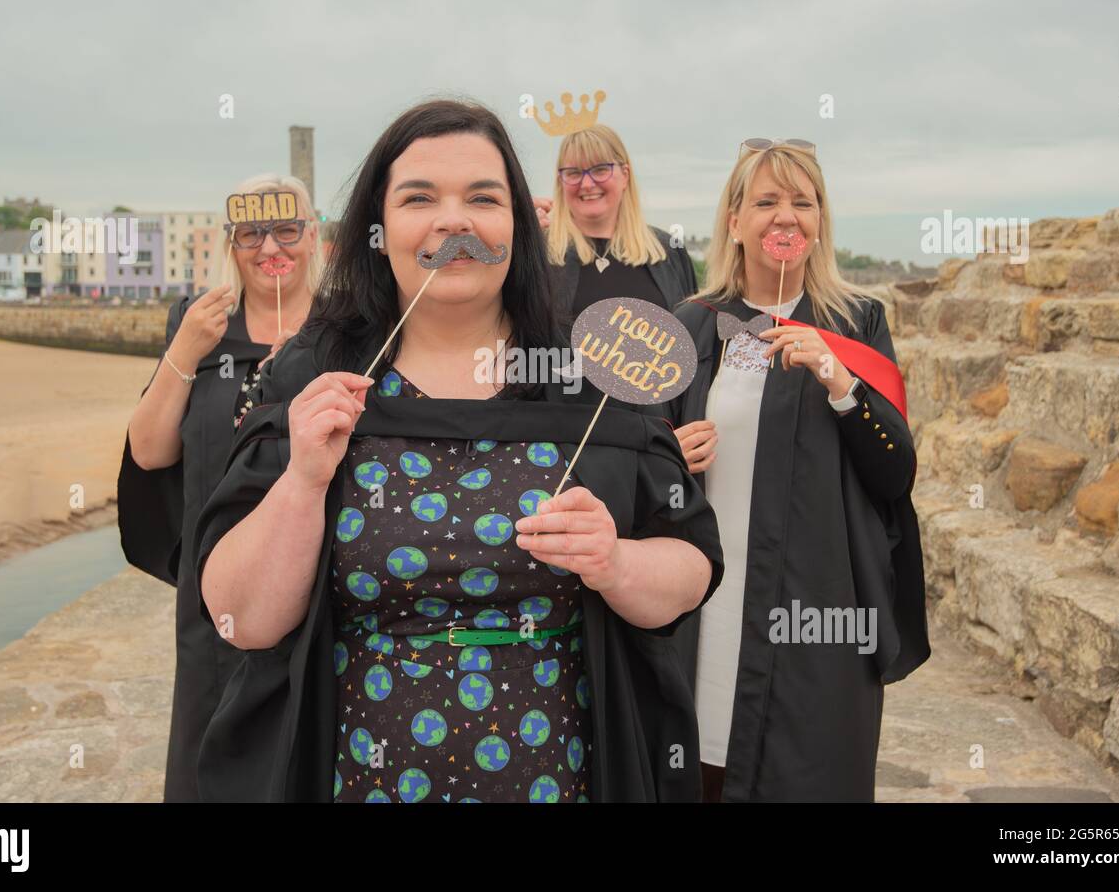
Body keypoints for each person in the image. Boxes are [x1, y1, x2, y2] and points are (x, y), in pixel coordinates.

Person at [191, 99, 725, 802]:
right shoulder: (314, 372)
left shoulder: (586, 377)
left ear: (516, 226)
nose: (455, 221)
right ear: (379, 230)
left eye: (483, 197)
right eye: (420, 198)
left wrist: (616, 561)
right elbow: (241, 618)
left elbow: (690, 569)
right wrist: (301, 480)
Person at [669, 140, 930, 802]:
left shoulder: (854, 322)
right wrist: (670, 454)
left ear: (820, 221)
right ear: (734, 222)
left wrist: (841, 382)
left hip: (810, 615)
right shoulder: (694, 326)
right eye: (765, 201)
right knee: (699, 768)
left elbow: (894, 473)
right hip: (706, 609)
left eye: (802, 201)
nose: (785, 216)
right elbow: (637, 464)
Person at [117, 173, 318, 802]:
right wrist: (184, 350)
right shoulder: (199, 322)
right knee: (211, 766)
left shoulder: (349, 330)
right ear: (231, 243)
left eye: (286, 229)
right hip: (214, 601)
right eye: (251, 233)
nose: (269, 248)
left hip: (316, 589)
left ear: (314, 237)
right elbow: (149, 452)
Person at [544, 124, 697, 325]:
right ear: (560, 181)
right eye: (573, 173)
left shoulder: (668, 251)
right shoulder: (539, 253)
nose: (587, 184)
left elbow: (694, 334)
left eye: (600, 170)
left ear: (625, 175)